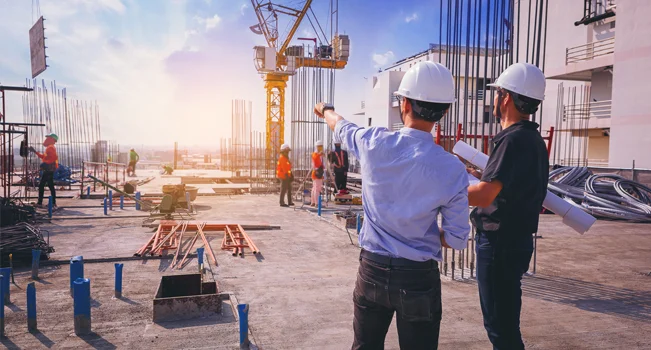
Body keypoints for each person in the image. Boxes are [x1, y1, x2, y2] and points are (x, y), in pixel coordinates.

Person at [314, 61, 470, 349]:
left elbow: (340, 125)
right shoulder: (452, 169)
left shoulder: (374, 142)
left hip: (372, 269)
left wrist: (325, 110)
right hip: (418, 279)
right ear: (444, 111)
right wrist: (418, 235)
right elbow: (458, 239)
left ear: (405, 104)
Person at [467, 62, 549, 350]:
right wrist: (481, 179)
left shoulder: (511, 139)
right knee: (505, 322)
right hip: (514, 240)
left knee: (500, 327)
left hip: (499, 242)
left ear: (506, 98)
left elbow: (484, 196)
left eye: (498, 93)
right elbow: (510, 187)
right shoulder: (532, 139)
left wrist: (444, 191)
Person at [31, 133, 59, 208]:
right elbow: (44, 157)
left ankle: (40, 203)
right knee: (50, 185)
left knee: (42, 185)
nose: (46, 139)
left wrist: (45, 164)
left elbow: (52, 158)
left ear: (52, 139)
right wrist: (35, 152)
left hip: (48, 170)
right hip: (49, 169)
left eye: (48, 138)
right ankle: (53, 203)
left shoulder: (51, 148)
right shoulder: (50, 147)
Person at [310, 140, 325, 207]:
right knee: (317, 189)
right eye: (319, 147)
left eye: (321, 147)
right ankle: (317, 203)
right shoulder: (316, 154)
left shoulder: (317, 155)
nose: (320, 148)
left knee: (314, 188)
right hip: (317, 173)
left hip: (317, 173)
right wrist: (320, 154)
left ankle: (313, 202)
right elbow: (316, 161)